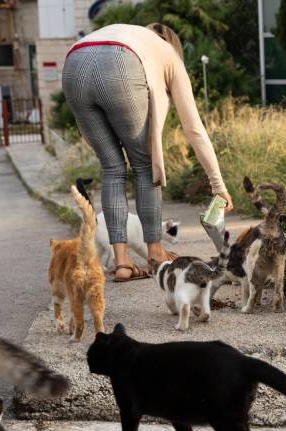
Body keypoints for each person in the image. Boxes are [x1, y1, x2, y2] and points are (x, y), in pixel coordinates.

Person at [62, 23, 233, 281]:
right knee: (144, 165)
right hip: (120, 63)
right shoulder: (169, 53)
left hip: (74, 63)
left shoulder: (132, 35)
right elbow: (194, 128)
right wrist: (218, 185)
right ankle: (155, 252)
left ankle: (121, 263)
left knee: (112, 168)